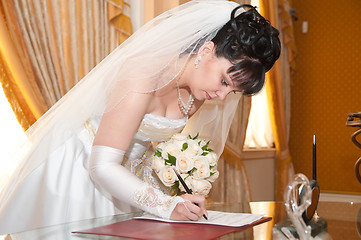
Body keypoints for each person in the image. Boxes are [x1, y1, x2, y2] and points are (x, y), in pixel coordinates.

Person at [0, 0, 280, 234]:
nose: (221, 95)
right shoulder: (141, 75)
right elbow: (101, 166)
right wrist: (165, 205)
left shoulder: (199, 90)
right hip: (83, 172)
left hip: (132, 180)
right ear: (206, 50)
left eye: (231, 91)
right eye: (224, 80)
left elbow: (149, 142)